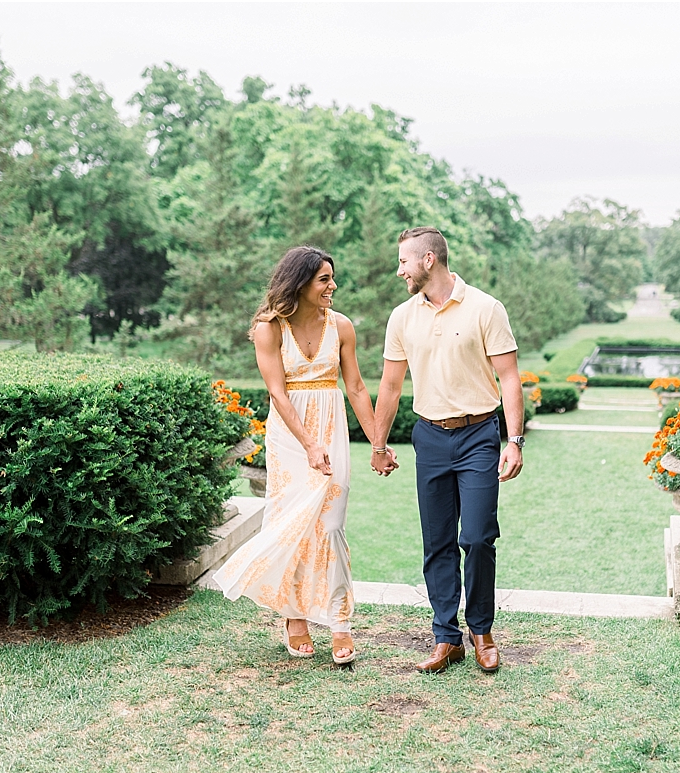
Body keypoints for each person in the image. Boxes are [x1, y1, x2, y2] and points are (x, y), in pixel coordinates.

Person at [212, 245, 390, 666]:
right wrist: (309, 444)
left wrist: (378, 445)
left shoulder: (342, 327)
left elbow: (358, 388)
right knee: (289, 523)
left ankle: (340, 621)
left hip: (333, 431)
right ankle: (294, 619)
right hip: (291, 437)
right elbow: (277, 391)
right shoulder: (268, 328)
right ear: (301, 283)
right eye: (324, 279)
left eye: (332, 278)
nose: (333, 286)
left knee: (330, 525)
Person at [370, 227, 524, 674]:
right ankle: (445, 637)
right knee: (437, 542)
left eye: (404, 262)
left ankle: (482, 630)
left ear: (428, 260)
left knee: (476, 537)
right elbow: (391, 385)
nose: (399, 271)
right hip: (430, 438)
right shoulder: (401, 317)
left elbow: (509, 378)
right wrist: (379, 444)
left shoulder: (485, 308)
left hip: (479, 435)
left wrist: (513, 441)